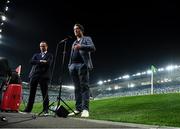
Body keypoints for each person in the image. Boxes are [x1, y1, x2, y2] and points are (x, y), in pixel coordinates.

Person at [68, 24, 96, 117]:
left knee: (84, 87)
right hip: (73, 66)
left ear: (81, 30)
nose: (75, 30)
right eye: (74, 29)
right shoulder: (74, 42)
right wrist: (70, 65)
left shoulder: (87, 38)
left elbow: (92, 48)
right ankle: (78, 109)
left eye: (77, 29)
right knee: (77, 88)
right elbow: (71, 54)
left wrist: (81, 46)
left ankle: (85, 109)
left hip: (82, 65)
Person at [23, 41, 53, 115]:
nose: (42, 47)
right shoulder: (36, 55)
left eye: (43, 46)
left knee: (45, 93)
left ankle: (46, 110)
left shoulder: (50, 55)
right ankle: (28, 109)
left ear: (46, 46)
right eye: (41, 46)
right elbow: (31, 61)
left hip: (44, 76)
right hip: (34, 75)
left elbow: (48, 63)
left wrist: (38, 62)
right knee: (31, 93)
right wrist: (41, 61)